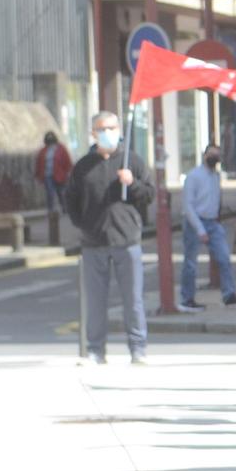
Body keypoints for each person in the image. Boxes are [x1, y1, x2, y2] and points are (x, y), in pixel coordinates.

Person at [66, 112, 153, 366]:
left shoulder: (132, 161)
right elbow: (70, 199)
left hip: (127, 241)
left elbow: (149, 194)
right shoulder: (83, 166)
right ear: (93, 133)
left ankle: (138, 348)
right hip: (94, 243)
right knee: (95, 301)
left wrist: (132, 182)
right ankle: (95, 350)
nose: (107, 132)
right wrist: (82, 224)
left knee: (133, 300)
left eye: (111, 128)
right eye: (101, 129)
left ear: (119, 130)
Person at [174, 144, 236, 312]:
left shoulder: (216, 176)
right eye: (211, 154)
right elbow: (188, 206)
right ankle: (187, 298)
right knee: (190, 263)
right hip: (195, 222)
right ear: (204, 155)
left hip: (213, 222)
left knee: (224, 258)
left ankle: (229, 295)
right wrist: (200, 229)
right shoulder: (194, 176)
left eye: (217, 155)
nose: (214, 157)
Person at [35, 131, 72, 213]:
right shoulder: (43, 151)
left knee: (61, 193)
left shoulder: (61, 149)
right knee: (50, 193)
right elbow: (39, 164)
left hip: (60, 175)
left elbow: (67, 161)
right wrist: (38, 175)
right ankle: (51, 210)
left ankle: (64, 208)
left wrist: (68, 173)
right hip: (48, 175)